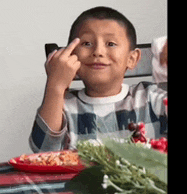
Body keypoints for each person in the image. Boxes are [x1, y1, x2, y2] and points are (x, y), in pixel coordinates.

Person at [29, 6, 167, 152]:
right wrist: (55, 86)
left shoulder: (152, 98)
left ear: (132, 59)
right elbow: (43, 150)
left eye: (111, 44)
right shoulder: (62, 106)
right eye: (86, 43)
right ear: (71, 56)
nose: (98, 52)